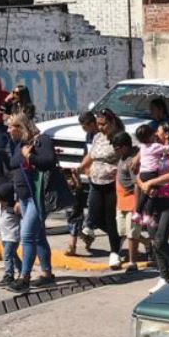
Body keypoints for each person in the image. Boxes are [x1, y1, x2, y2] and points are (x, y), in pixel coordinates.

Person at [6, 112, 57, 292]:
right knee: (39, 236)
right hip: (24, 198)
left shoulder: (41, 140)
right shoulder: (20, 144)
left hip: (37, 197)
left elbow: (49, 161)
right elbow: (13, 163)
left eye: (11, 126)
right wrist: (17, 198)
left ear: (21, 127)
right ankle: (47, 274)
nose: (8, 130)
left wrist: (31, 157)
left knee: (27, 236)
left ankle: (24, 277)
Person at [139, 121, 169, 289]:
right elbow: (139, 171)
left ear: (166, 134)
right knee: (153, 240)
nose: (155, 133)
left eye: (158, 130)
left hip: (168, 203)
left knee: (160, 240)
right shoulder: (153, 150)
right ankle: (164, 277)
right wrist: (144, 185)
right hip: (151, 203)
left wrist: (151, 182)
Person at [82, 109, 124, 268]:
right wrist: (80, 168)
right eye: (98, 124)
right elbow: (91, 155)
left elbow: (130, 156)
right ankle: (121, 236)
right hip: (95, 182)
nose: (100, 127)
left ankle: (115, 252)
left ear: (112, 122)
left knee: (110, 219)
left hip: (112, 184)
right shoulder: (98, 137)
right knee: (94, 218)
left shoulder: (119, 137)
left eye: (103, 124)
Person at [63, 111, 97, 257]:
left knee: (97, 214)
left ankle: (143, 242)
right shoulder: (89, 136)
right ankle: (73, 244)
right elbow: (87, 154)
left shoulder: (102, 136)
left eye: (85, 126)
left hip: (102, 179)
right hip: (88, 176)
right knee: (75, 208)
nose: (84, 129)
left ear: (92, 123)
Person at [111, 132, 142, 273]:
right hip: (121, 202)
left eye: (116, 148)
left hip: (131, 202)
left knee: (131, 234)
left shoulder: (131, 161)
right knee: (122, 232)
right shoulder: (123, 158)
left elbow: (137, 184)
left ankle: (132, 262)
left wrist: (136, 207)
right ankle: (149, 244)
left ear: (124, 147)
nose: (114, 151)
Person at [0, 182, 22, 287]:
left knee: (7, 255)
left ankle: (8, 276)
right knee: (13, 256)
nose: (1, 203)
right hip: (4, 236)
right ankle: (23, 271)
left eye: (3, 200)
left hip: (13, 236)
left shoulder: (14, 208)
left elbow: (23, 217)